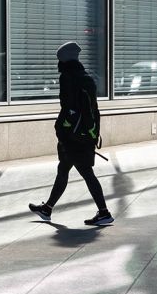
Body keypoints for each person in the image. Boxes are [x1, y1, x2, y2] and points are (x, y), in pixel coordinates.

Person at [29, 41, 113, 226]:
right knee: (63, 170)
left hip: (73, 137)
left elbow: (69, 109)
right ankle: (47, 208)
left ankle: (104, 212)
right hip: (85, 134)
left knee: (86, 172)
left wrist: (63, 128)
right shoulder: (85, 77)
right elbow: (92, 109)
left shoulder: (68, 77)